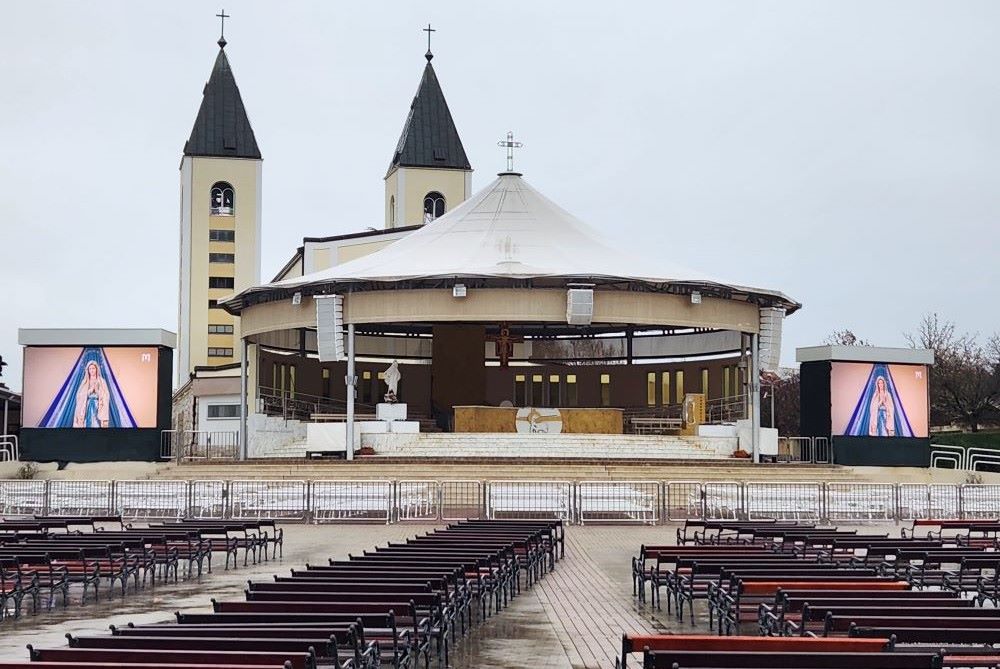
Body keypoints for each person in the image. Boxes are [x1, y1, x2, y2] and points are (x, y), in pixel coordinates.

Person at [73, 361, 110, 428]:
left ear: (96, 369)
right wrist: (90, 391)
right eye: (90, 369)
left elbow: (106, 396)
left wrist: (97, 391)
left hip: (98, 406)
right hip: (86, 406)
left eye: (93, 368)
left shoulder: (102, 381)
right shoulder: (85, 381)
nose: (92, 370)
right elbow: (79, 396)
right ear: (88, 370)